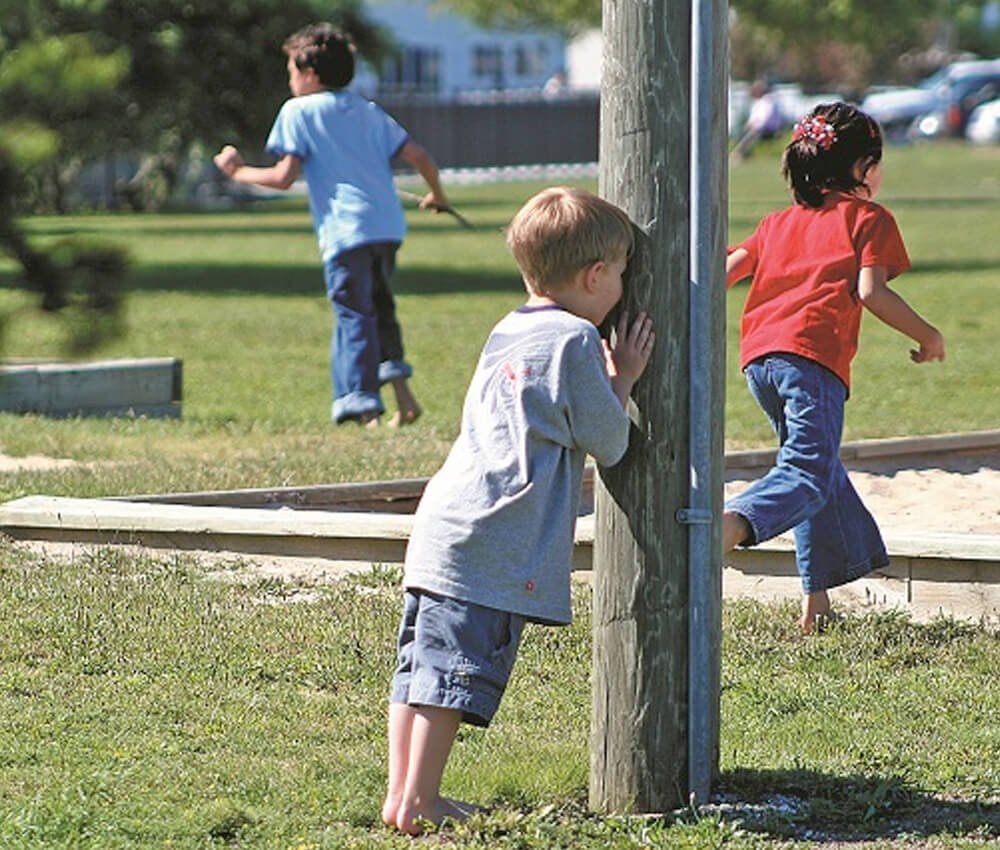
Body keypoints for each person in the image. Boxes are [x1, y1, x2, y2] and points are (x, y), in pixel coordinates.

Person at [382, 187, 655, 835]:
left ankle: (402, 795)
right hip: (492, 535)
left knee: (419, 668)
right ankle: (421, 803)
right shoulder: (576, 340)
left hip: (446, 523)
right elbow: (610, 441)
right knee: (451, 673)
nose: (623, 288)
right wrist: (623, 378)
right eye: (621, 274)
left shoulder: (510, 327)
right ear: (595, 276)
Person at [723, 102, 946, 633]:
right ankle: (724, 530)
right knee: (806, 473)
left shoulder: (776, 223)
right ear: (862, 168)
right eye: (877, 162)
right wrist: (927, 334)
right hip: (812, 360)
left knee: (818, 472)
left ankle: (816, 602)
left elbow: (724, 272)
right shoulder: (869, 219)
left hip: (759, 362)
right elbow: (871, 292)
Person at [214, 23, 449, 427]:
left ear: (309, 74)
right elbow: (420, 156)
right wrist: (437, 196)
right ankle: (404, 399)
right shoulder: (368, 110)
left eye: (291, 71)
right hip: (386, 228)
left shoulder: (298, 111)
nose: (290, 80)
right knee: (380, 308)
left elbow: (283, 177)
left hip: (345, 232)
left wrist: (237, 173)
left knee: (353, 314)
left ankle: (363, 407)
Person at [732, 79, 784, 160]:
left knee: (752, 134)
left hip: (768, 129)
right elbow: (754, 118)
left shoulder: (768, 101)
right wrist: (749, 125)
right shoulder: (758, 102)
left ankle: (739, 153)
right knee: (742, 132)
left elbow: (765, 118)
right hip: (758, 127)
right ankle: (743, 154)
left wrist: (755, 125)